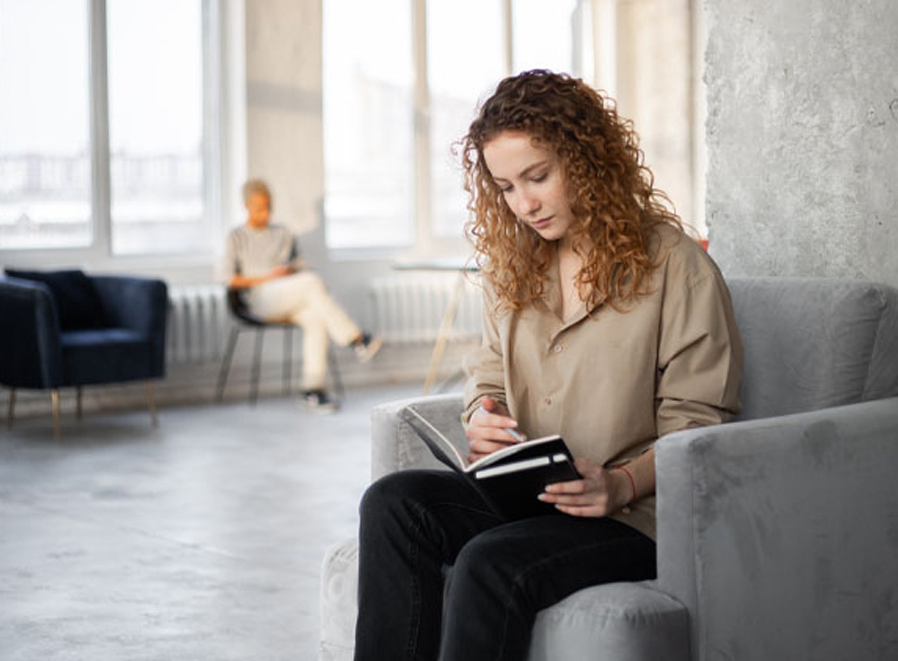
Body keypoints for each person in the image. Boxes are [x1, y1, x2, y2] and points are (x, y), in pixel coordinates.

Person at [353, 70, 743, 660]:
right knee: (394, 502)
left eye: (538, 176)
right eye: (506, 187)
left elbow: (698, 425)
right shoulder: (514, 264)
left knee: (490, 561)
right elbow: (487, 372)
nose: (524, 203)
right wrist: (484, 411)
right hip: (530, 501)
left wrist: (621, 483)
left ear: (588, 159)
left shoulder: (676, 267)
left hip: (630, 515)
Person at [222, 179, 381, 412]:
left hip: (290, 293)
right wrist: (269, 276)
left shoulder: (282, 233)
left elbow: (300, 264)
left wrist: (291, 269)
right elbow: (228, 278)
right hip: (258, 299)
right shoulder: (235, 236)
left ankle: (312, 390)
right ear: (246, 206)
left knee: (315, 316)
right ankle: (356, 338)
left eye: (267, 207)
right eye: (258, 208)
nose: (264, 213)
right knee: (311, 283)